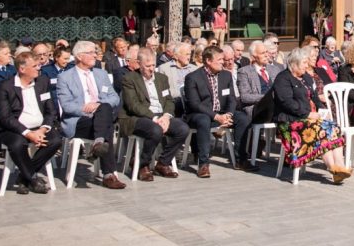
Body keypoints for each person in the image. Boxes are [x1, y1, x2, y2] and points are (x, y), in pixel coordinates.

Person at [272, 48, 351, 183]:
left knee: (333, 127)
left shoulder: (306, 78)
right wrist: (307, 114)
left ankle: (340, 167)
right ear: (294, 64)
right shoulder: (283, 79)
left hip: (309, 119)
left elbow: (315, 97)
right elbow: (287, 103)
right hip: (290, 121)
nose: (306, 65)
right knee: (322, 129)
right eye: (303, 63)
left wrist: (322, 111)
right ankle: (333, 168)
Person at [56, 40, 125, 189]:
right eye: (91, 52)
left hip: (100, 116)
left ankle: (99, 143)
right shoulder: (65, 77)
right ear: (79, 57)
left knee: (105, 108)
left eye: (95, 52)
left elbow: (114, 97)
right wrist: (87, 108)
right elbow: (67, 106)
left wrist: (98, 107)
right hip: (78, 120)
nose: (96, 55)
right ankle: (109, 174)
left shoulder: (101, 74)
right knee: (107, 124)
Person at [0, 51, 64, 194]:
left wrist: (42, 130)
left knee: (55, 140)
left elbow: (51, 111)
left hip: (39, 127)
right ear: (22, 69)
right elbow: (5, 117)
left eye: (39, 65)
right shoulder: (5, 86)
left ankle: (23, 177)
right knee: (17, 144)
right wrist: (28, 133)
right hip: (14, 129)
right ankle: (32, 178)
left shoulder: (42, 82)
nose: (39, 68)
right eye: (35, 66)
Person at [183, 46, 256, 177]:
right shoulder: (193, 78)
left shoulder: (226, 75)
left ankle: (241, 159)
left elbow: (232, 99)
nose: (223, 62)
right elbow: (195, 104)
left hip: (222, 113)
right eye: (220, 59)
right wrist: (216, 116)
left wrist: (229, 114)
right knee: (203, 120)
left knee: (243, 118)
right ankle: (203, 163)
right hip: (200, 114)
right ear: (208, 61)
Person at [118, 48, 188, 180]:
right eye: (147, 66)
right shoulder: (130, 79)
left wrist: (167, 116)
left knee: (183, 129)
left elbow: (168, 100)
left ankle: (163, 163)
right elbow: (133, 105)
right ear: (139, 64)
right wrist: (154, 118)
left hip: (161, 115)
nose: (151, 69)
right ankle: (142, 164)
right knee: (155, 130)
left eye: (153, 65)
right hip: (137, 117)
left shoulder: (162, 78)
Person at [237, 39, 283, 124]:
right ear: (254, 56)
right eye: (262, 53)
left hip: (277, 106)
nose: (266, 55)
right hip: (257, 108)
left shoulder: (275, 69)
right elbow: (245, 97)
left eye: (266, 52)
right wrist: (267, 98)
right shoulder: (244, 71)